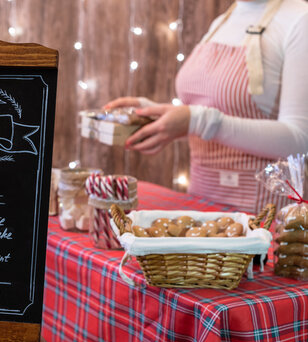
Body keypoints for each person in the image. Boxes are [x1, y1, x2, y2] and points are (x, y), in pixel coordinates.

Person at [104, 0, 308, 213]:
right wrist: (151, 114)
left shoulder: (300, 20)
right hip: (201, 208)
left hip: (261, 216)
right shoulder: (223, 21)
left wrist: (197, 120)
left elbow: (301, 140)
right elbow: (210, 114)